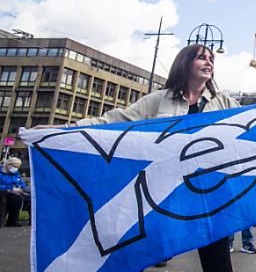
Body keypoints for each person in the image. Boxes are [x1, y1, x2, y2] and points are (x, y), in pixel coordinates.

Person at [48, 44, 242, 271]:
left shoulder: (223, 102)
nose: (209, 62)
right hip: (165, 189)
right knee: (140, 250)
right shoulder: (159, 100)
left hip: (208, 190)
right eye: (201, 58)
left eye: (211, 59)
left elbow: (255, 123)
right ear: (185, 63)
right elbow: (115, 120)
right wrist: (65, 130)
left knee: (217, 261)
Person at [0, 157, 28, 227]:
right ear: (8, 165)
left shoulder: (16, 175)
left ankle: (13, 220)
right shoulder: (1, 174)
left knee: (17, 199)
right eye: (15, 166)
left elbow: (22, 184)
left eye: (17, 167)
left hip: (14, 193)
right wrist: (11, 188)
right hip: (4, 192)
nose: (16, 168)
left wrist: (21, 187)